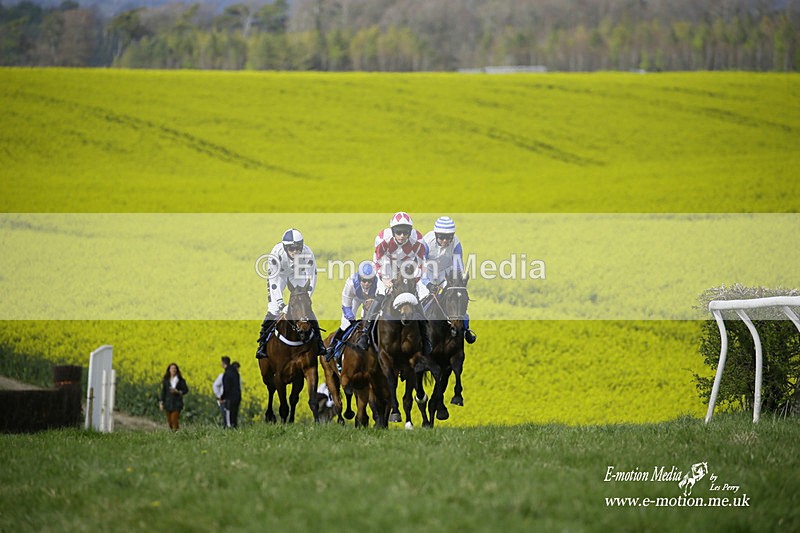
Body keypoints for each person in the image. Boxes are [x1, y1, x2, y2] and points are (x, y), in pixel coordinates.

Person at [358, 211, 432, 353]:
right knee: (379, 296)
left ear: (410, 232)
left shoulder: (418, 240)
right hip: (387, 269)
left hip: (407, 270)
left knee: (416, 299)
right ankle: (365, 334)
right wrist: (385, 279)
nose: (402, 236)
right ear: (393, 231)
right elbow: (377, 261)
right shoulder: (382, 239)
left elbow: (422, 264)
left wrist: (413, 281)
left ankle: (426, 338)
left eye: (405, 232)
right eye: (398, 232)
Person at [255, 228, 325, 358]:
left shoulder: (307, 253)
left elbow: (312, 277)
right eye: (292, 249)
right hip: (279, 275)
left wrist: (305, 298)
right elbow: (274, 281)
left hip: (297, 273)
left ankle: (319, 343)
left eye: (298, 248)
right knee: (273, 309)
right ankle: (262, 345)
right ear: (285, 248)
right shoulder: (276, 254)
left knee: (305, 308)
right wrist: (282, 305)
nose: (296, 252)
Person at [422, 216, 476, 344]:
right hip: (426, 275)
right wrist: (428, 284)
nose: (445, 241)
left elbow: (458, 266)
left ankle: (466, 329)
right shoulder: (426, 242)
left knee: (456, 298)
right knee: (419, 302)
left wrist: (457, 282)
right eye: (441, 237)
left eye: (448, 237)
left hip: (445, 276)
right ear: (436, 235)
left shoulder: (456, 244)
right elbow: (421, 265)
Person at [324, 260, 377, 362]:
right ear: (359, 277)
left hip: (371, 300)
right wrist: (352, 321)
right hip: (354, 299)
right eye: (363, 280)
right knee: (346, 323)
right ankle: (333, 347)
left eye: (370, 280)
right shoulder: (351, 283)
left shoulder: (378, 283)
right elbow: (346, 306)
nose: (366, 283)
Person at [159, 362, 189, 431]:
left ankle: (177, 435)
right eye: (172, 368)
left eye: (175, 368)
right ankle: (173, 436)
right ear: (169, 370)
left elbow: (186, 390)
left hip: (177, 404)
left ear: (177, 370)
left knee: (174, 420)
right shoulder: (166, 381)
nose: (173, 370)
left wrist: (178, 392)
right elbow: (163, 392)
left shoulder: (181, 380)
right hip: (168, 403)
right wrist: (161, 402)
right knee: (170, 422)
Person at [221, 360, 242, 428]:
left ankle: (230, 428)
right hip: (237, 397)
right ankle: (234, 428)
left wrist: (222, 397)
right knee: (234, 415)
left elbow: (226, 387)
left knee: (229, 415)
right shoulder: (236, 374)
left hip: (229, 398)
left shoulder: (227, 373)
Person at [212, 356, 230, 427]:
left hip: (225, 400)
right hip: (230, 399)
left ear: (223, 364)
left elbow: (215, 386)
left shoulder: (222, 375)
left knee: (226, 419)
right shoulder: (236, 375)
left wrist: (219, 396)